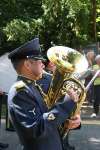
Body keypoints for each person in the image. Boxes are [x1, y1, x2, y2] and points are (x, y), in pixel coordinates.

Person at [8, 38, 81, 150]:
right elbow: (36, 129)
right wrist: (66, 105)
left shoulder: (33, 86)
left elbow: (48, 116)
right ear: (27, 64)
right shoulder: (20, 92)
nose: (43, 64)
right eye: (39, 61)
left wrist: (70, 120)